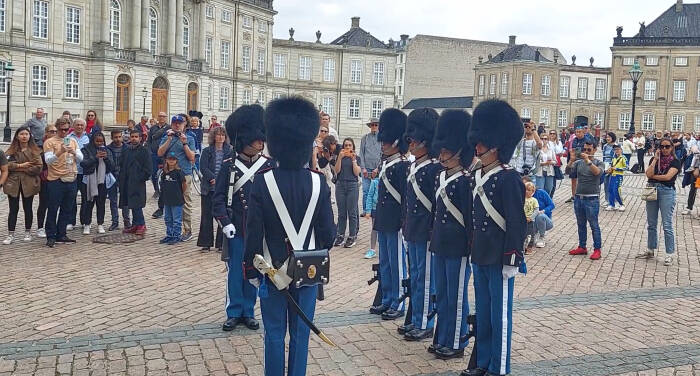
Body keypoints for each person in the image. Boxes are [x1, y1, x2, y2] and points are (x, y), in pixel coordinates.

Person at [242, 97, 335, 376]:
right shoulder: (319, 182)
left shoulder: (263, 180)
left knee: (273, 334)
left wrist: (250, 268)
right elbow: (328, 235)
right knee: (301, 335)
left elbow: (254, 231)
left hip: (272, 271)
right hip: (307, 271)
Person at [465, 99, 527, 376]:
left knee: (500, 317)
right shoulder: (479, 175)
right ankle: (484, 362)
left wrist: (512, 258)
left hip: (500, 256)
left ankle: (499, 368)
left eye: (481, 144)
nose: (476, 148)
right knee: (486, 315)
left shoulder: (508, 178)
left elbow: (517, 223)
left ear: (496, 146)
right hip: (480, 253)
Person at [212, 104, 275, 331]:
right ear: (245, 139)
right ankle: (234, 310)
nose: (261, 142)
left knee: (254, 270)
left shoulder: (267, 166)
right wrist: (225, 222)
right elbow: (217, 198)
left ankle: (249, 310)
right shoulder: (230, 167)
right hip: (237, 227)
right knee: (235, 273)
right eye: (256, 138)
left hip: (259, 230)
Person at [429, 109, 473, 360]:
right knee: (443, 294)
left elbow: (469, 218)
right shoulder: (441, 176)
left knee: (456, 296)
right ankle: (442, 336)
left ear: (459, 152)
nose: (442, 154)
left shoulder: (466, 181)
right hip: (440, 242)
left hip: (457, 245)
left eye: (447, 151)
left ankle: (456, 340)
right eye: (442, 150)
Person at [399, 108, 441, 342]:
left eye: (414, 139)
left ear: (425, 140)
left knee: (425, 278)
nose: (411, 143)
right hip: (413, 229)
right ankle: (416, 317)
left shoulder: (433, 168)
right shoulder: (414, 166)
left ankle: (425, 322)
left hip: (425, 230)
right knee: (415, 275)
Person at [372, 108, 410, 321]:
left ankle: (399, 301)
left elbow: (403, 199)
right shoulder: (387, 163)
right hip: (384, 219)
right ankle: (387, 298)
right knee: (385, 262)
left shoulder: (402, 165)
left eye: (386, 140)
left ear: (396, 141)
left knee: (397, 264)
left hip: (395, 221)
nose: (383, 143)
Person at [640, 138, 681, 266]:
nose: (664, 149)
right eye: (661, 146)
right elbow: (648, 173)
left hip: (667, 192)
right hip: (652, 190)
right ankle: (650, 249)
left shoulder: (676, 161)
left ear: (672, 147)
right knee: (651, 223)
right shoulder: (654, 159)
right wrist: (655, 160)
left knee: (667, 224)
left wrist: (653, 177)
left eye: (667, 146)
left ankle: (669, 254)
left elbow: (668, 177)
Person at [43, 117, 83, 247]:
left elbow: (81, 158)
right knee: (53, 208)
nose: (64, 132)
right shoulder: (50, 142)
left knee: (67, 208)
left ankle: (61, 234)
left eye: (66, 129)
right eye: (61, 129)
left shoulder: (72, 141)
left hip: (71, 178)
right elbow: (48, 160)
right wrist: (60, 152)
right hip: (55, 179)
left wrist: (73, 152)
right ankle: (51, 235)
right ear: (57, 128)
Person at [158, 115, 196, 241]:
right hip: (169, 174)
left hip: (184, 173)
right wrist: (169, 140)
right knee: (169, 201)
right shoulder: (166, 137)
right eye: (174, 123)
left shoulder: (190, 138)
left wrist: (184, 143)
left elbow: (191, 157)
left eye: (179, 123)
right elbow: (160, 153)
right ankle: (172, 232)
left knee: (185, 202)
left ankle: (187, 230)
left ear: (184, 124)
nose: (177, 125)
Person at [2, 127, 42, 244]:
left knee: (28, 207)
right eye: (22, 134)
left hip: (28, 182)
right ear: (17, 136)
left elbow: (38, 167)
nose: (24, 136)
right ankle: (11, 234)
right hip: (13, 183)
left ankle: (27, 231)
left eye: (26, 134)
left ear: (30, 136)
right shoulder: (11, 150)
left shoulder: (35, 150)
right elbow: (6, 165)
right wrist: (20, 166)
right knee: (13, 208)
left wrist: (25, 169)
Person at [566, 140, 604, 260]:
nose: (586, 152)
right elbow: (567, 172)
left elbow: (597, 173)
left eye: (589, 150)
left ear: (594, 150)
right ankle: (582, 247)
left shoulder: (599, 163)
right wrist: (571, 160)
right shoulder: (578, 163)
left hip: (592, 199)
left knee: (594, 225)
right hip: (579, 197)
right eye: (585, 150)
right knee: (581, 224)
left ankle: (597, 249)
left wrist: (588, 161)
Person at [197, 126, 232, 252]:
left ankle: (221, 243)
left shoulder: (230, 151)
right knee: (206, 216)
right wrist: (213, 178)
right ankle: (206, 243)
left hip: (223, 188)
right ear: (214, 136)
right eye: (218, 135)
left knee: (222, 215)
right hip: (208, 187)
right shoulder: (207, 151)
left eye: (223, 135)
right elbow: (203, 167)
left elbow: (231, 167)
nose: (221, 137)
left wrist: (220, 180)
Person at [79, 131, 115, 235]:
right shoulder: (86, 149)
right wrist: (95, 158)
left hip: (102, 180)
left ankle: (100, 223)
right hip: (89, 180)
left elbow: (112, 166)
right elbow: (83, 164)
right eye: (97, 141)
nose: (99, 143)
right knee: (88, 202)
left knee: (101, 203)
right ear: (93, 141)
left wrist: (106, 158)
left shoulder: (107, 150)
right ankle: (87, 224)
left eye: (101, 141)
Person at [120, 130, 152, 235]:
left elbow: (148, 168)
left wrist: (140, 178)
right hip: (127, 181)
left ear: (140, 138)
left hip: (137, 182)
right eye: (132, 136)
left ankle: (141, 224)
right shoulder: (127, 150)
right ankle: (135, 225)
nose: (134, 138)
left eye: (136, 136)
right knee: (131, 204)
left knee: (137, 204)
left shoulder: (144, 151)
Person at [333, 138, 362, 248]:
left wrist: (354, 160)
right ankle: (340, 235)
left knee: (352, 212)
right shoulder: (340, 157)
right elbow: (336, 171)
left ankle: (352, 236)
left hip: (352, 185)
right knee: (341, 212)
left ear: (353, 147)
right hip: (340, 184)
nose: (348, 147)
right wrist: (340, 157)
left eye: (350, 145)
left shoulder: (357, 158)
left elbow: (357, 172)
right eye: (346, 145)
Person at [68, 118, 91, 231]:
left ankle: (84, 220)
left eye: (82, 125)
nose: (79, 127)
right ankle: (70, 221)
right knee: (71, 197)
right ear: (73, 125)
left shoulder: (89, 138)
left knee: (86, 198)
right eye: (77, 125)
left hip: (85, 172)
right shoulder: (69, 138)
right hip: (72, 171)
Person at [160, 152, 186, 245]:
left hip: (177, 199)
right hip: (167, 199)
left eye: (173, 159)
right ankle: (169, 234)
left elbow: (184, 184)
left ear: (176, 161)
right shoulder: (164, 173)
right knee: (168, 218)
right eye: (169, 159)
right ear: (166, 160)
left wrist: (180, 194)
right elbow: (162, 184)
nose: (171, 161)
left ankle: (176, 236)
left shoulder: (179, 172)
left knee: (176, 219)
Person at [564, 125, 595, 203]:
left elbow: (588, 151)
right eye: (576, 132)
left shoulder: (587, 140)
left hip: (583, 161)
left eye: (579, 132)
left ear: (583, 132)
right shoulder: (575, 140)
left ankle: (579, 195)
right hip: (575, 161)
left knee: (581, 179)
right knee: (573, 179)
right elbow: (573, 150)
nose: (578, 133)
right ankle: (573, 196)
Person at [36, 124, 57, 238]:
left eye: (55, 131)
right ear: (46, 133)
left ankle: (51, 226)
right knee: (43, 203)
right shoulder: (40, 146)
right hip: (44, 177)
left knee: (54, 204)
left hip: (56, 176)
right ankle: (40, 227)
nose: (54, 133)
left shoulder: (59, 143)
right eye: (51, 131)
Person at [522, 176, 555, 249]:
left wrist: (543, 211)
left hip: (544, 220)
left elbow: (552, 205)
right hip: (529, 222)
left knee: (540, 216)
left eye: (527, 186)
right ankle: (530, 235)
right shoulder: (521, 195)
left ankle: (541, 237)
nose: (525, 189)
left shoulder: (541, 192)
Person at [106, 130, 129, 231]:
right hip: (112, 176)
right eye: (115, 137)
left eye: (119, 137)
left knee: (125, 200)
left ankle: (127, 221)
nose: (118, 139)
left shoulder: (127, 148)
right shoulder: (108, 149)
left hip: (124, 176)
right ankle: (115, 222)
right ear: (112, 138)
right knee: (113, 200)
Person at [359, 118, 381, 217]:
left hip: (377, 169)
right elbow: (361, 154)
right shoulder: (365, 138)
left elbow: (383, 154)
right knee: (366, 190)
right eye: (372, 125)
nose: (374, 127)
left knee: (376, 191)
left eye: (376, 125)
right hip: (366, 168)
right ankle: (365, 210)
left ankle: (375, 209)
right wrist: (362, 168)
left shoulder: (382, 139)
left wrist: (377, 168)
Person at [148, 112, 170, 203]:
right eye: (160, 116)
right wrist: (148, 151)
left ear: (166, 118)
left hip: (165, 154)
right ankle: (156, 190)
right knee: (153, 173)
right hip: (154, 153)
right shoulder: (153, 128)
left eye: (163, 116)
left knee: (166, 173)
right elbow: (149, 140)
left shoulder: (169, 128)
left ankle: (164, 190)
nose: (161, 118)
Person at [534, 130, 556, 195]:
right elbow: (535, 161)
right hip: (540, 171)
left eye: (546, 139)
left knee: (549, 189)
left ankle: (547, 202)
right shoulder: (537, 149)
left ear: (548, 140)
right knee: (540, 189)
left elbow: (555, 161)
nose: (544, 140)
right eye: (542, 139)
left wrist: (550, 162)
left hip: (549, 171)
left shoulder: (551, 149)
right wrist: (543, 163)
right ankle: (540, 204)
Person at [605, 144, 627, 211]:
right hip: (612, 175)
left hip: (618, 176)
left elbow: (626, 167)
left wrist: (617, 168)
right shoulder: (614, 158)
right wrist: (609, 169)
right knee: (610, 190)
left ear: (621, 150)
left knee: (616, 190)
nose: (616, 151)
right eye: (615, 149)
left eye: (618, 149)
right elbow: (611, 165)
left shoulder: (623, 158)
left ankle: (622, 204)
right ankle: (612, 204)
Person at [364, 175, 379, 259]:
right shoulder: (374, 182)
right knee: (374, 229)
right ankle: (372, 249)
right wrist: (368, 210)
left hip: (385, 209)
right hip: (375, 208)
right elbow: (369, 196)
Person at [548, 129, 565, 199]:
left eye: (553, 134)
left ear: (556, 135)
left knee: (554, 181)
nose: (552, 135)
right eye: (551, 133)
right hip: (549, 163)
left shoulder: (559, 143)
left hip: (556, 164)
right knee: (549, 180)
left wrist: (555, 145)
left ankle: (551, 196)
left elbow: (560, 152)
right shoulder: (547, 142)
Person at [601, 132, 616, 207]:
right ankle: (607, 200)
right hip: (605, 166)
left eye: (609, 137)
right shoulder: (605, 146)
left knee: (612, 184)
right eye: (607, 137)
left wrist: (612, 166)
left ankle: (613, 201)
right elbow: (603, 156)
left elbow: (617, 158)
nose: (607, 138)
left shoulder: (616, 146)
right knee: (606, 184)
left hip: (612, 166)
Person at [523, 182, 539, 255]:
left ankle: (529, 248)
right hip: (522, 219)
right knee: (522, 234)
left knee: (530, 234)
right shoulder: (522, 199)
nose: (527, 191)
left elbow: (536, 210)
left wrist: (531, 218)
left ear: (533, 191)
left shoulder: (534, 200)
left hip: (530, 220)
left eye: (529, 190)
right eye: (525, 190)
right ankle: (523, 247)